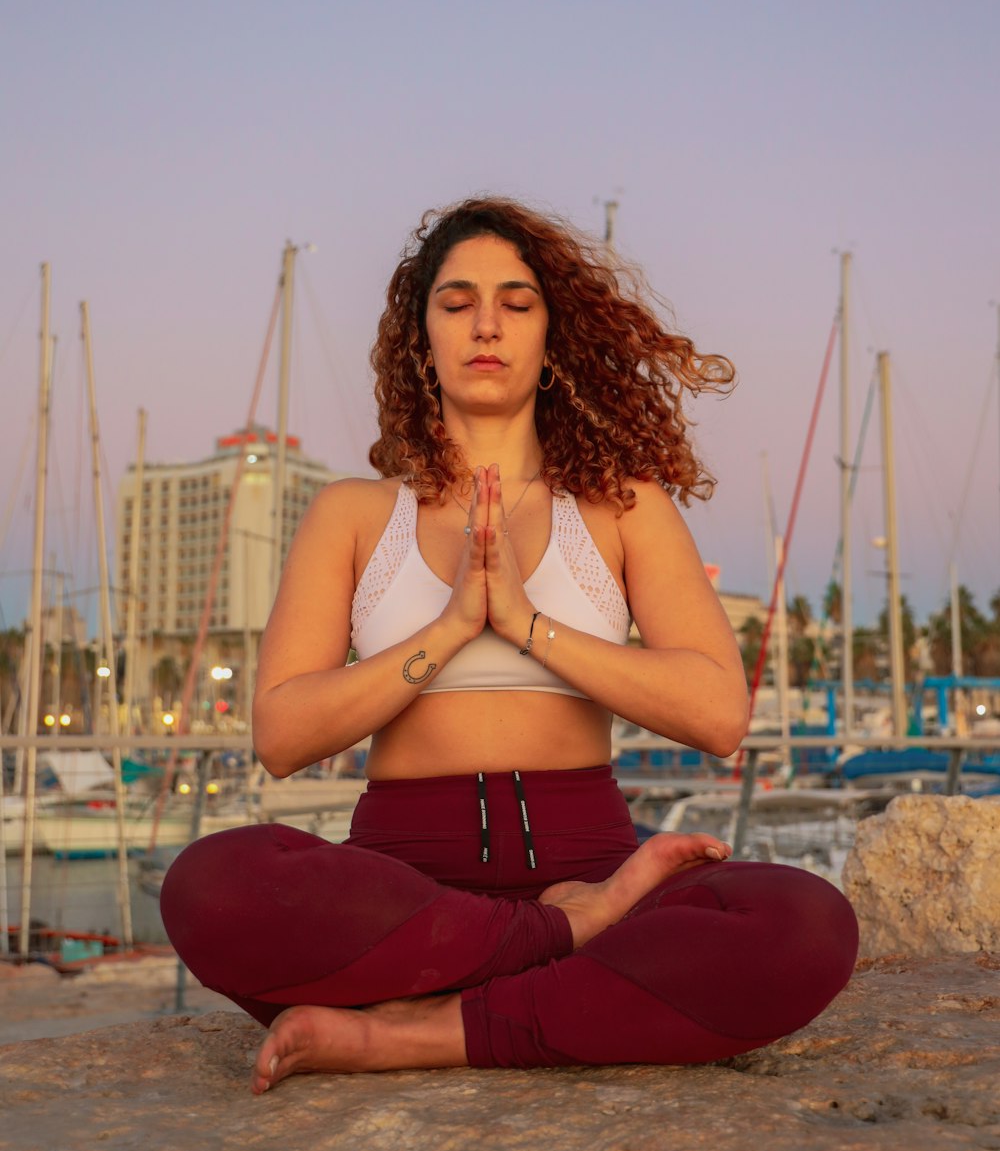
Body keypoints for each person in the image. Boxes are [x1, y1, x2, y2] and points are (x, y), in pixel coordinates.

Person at [161, 197, 858, 1092]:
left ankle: (415, 1031)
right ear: (422, 337)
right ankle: (554, 955)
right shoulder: (352, 513)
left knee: (804, 921)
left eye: (516, 302)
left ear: (549, 335)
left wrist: (528, 622)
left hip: (590, 860)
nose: (485, 323)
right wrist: (451, 627)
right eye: (456, 302)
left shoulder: (624, 506)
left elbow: (719, 712)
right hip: (408, 894)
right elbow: (281, 733)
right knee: (210, 884)